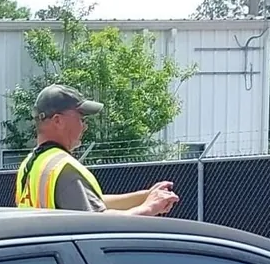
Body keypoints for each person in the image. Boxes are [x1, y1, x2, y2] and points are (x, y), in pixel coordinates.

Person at [15, 84, 181, 215]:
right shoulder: (64, 168)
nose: (85, 126)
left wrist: (144, 197)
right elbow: (99, 221)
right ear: (58, 121)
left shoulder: (32, 164)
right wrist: (148, 208)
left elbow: (92, 201)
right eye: (81, 118)